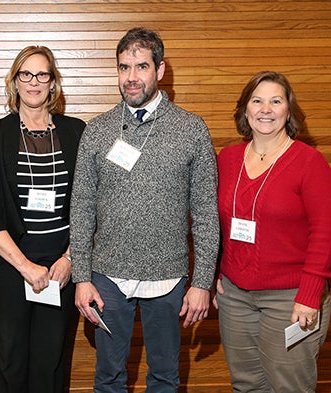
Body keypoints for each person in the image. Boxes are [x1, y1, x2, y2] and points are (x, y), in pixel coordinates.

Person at [70, 27, 220, 393]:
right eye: (124, 68)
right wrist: (81, 276)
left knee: (165, 378)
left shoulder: (191, 129)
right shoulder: (98, 130)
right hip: (107, 276)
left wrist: (201, 282)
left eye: (141, 67)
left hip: (168, 277)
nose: (131, 77)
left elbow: (205, 213)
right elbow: (81, 206)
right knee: (108, 378)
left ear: (160, 70)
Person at [213, 71, 331, 392]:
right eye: (257, 100)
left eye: (275, 101)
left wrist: (310, 295)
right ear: (245, 109)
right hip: (235, 297)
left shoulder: (309, 162)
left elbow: (326, 233)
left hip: (291, 298)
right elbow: (216, 223)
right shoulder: (227, 159)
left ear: (288, 110)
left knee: (289, 386)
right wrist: (216, 271)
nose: (265, 109)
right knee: (246, 384)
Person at [0, 45, 86, 393]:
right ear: (15, 81)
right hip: (7, 267)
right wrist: (24, 266)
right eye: (26, 74)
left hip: (59, 269)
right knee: (11, 359)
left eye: (42, 74)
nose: (34, 82)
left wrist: (68, 259)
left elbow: (90, 203)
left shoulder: (75, 132)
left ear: (53, 82)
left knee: (50, 361)